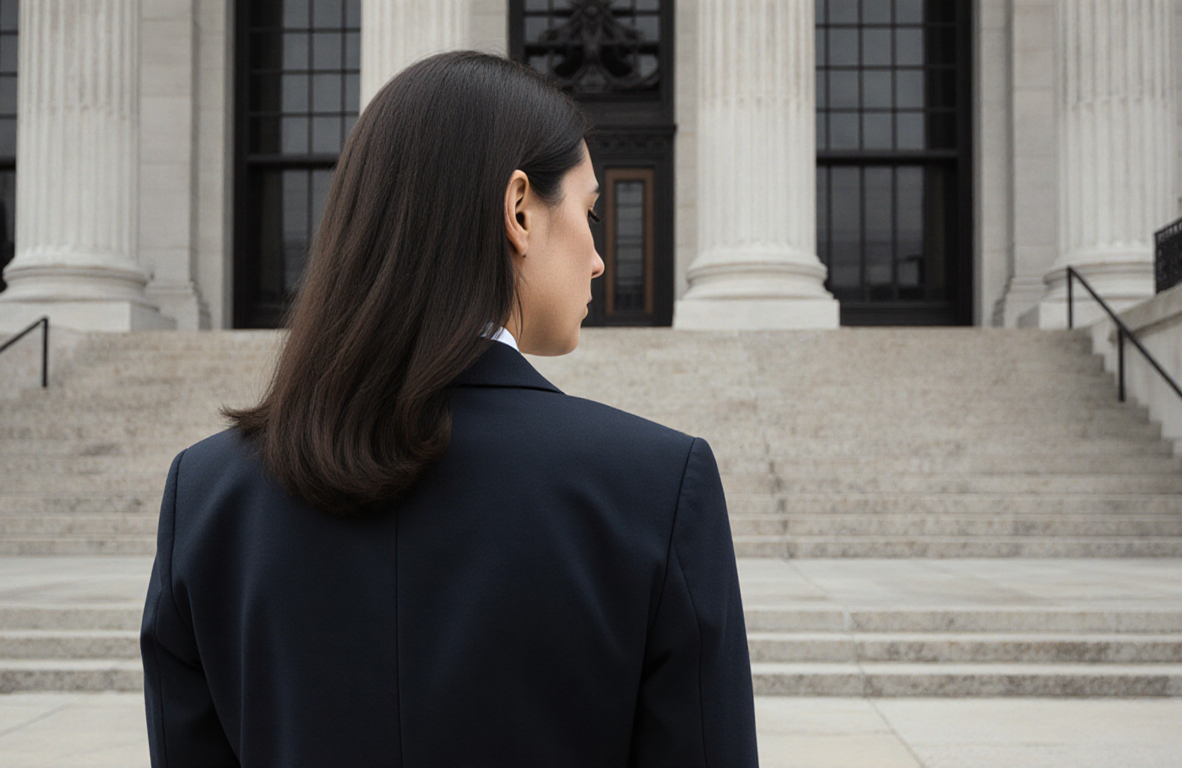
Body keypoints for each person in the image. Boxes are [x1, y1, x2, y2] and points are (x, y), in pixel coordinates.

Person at [139, 51, 757, 767]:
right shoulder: (659, 487)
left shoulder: (207, 496)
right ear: (519, 210)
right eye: (589, 210)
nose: (597, 259)